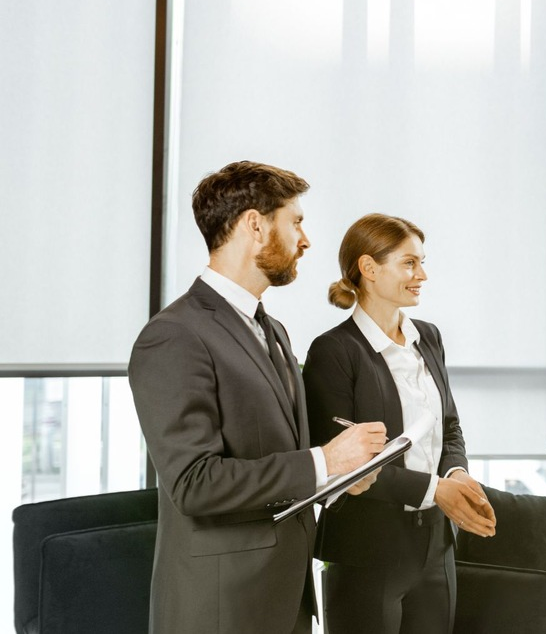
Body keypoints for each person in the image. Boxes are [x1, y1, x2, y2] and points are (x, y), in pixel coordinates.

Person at [128, 161, 388, 634]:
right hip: (221, 607)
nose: (305, 241)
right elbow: (194, 483)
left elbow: (277, 458)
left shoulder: (274, 331)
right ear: (255, 224)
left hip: (285, 596)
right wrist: (324, 462)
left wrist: (336, 478)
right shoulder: (174, 336)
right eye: (296, 222)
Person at [303, 213, 496, 634]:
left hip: (434, 545)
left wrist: (456, 475)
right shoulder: (333, 352)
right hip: (366, 549)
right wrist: (435, 491)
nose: (422, 274)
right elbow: (341, 465)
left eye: (422, 262)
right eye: (409, 263)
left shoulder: (428, 337)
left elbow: (448, 425)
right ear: (369, 269)